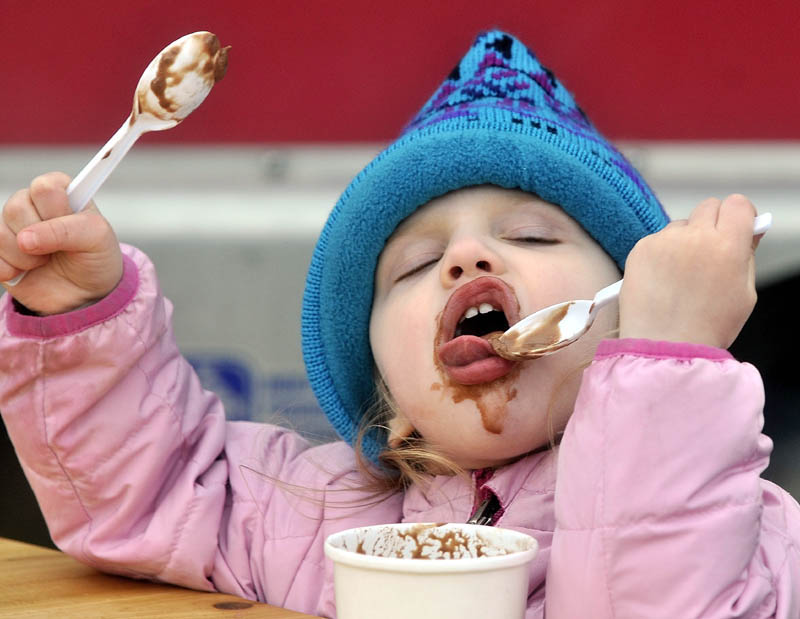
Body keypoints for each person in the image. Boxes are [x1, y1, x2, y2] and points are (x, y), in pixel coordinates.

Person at [1, 29, 798, 618]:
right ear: (381, 365)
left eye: (530, 236)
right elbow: (151, 494)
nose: (466, 257)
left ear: (635, 303)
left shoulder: (741, 526)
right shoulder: (304, 511)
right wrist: (74, 316)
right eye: (415, 264)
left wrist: (667, 371)